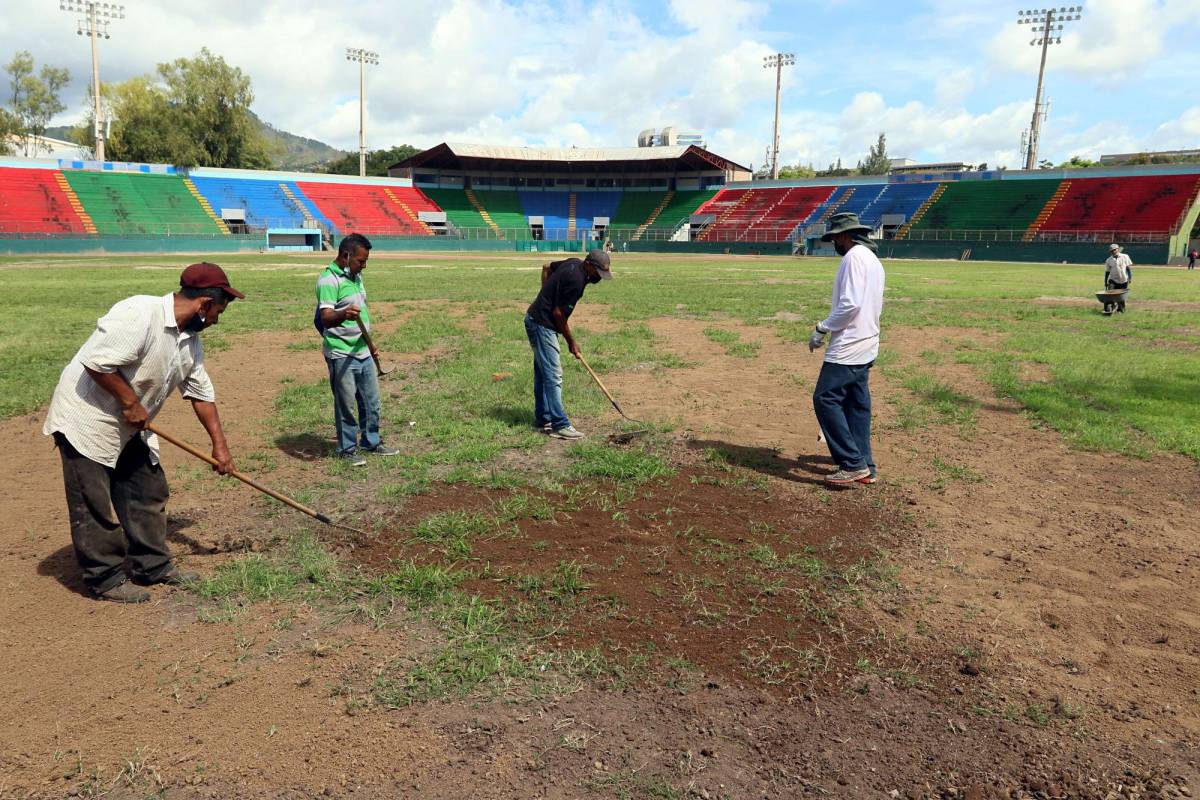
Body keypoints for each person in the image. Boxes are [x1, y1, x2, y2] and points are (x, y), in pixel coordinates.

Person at [43, 263, 243, 603]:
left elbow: (201, 394)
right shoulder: (139, 312)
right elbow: (96, 361)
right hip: (86, 419)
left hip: (130, 424)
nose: (216, 320)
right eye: (218, 312)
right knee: (94, 502)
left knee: (147, 490)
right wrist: (130, 401)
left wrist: (220, 447)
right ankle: (105, 578)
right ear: (205, 303)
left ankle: (152, 566)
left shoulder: (189, 340)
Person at [808, 212, 885, 487]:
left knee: (825, 398)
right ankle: (866, 465)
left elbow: (850, 303)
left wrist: (822, 328)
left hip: (849, 345)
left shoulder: (853, 258)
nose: (834, 244)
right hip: (867, 341)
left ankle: (852, 464)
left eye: (835, 238)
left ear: (844, 236)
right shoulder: (872, 259)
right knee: (856, 405)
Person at [315, 233, 400, 466]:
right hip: (341, 353)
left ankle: (371, 442)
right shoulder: (328, 280)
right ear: (346, 255)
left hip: (363, 350)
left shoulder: (356, 276)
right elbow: (325, 318)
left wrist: (370, 344)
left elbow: (361, 312)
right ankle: (347, 449)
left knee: (371, 402)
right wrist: (343, 314)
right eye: (361, 261)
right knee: (346, 405)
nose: (364, 265)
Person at [524, 248, 613, 439]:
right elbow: (558, 314)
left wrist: (544, 296)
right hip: (542, 325)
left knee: (543, 374)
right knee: (553, 375)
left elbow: (547, 267)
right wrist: (571, 342)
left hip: (535, 319)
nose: (599, 277)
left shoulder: (573, 262)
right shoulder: (576, 281)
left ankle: (543, 419)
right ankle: (559, 425)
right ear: (588, 265)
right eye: (598, 272)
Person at [1104, 243, 1133, 314]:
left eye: (1114, 250)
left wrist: (1130, 277)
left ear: (1118, 249)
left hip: (1123, 280)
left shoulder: (1125, 256)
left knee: (1121, 296)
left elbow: (1128, 268)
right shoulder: (1108, 260)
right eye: (1111, 251)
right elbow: (1107, 272)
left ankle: (1121, 309)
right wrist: (1105, 281)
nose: (1113, 251)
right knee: (1110, 294)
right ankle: (1109, 308)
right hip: (1113, 279)